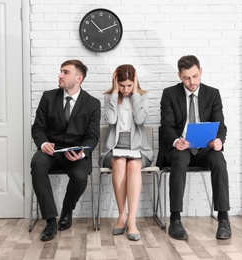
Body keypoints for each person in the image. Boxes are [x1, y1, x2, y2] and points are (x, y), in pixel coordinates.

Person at [156, 55, 231, 240]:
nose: (192, 82)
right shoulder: (169, 94)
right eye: (187, 78)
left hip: (205, 148)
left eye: (195, 76)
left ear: (201, 72)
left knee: (218, 159)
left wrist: (219, 140)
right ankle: (175, 219)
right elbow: (166, 126)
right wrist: (176, 141)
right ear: (180, 76)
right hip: (180, 148)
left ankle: (223, 219)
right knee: (179, 159)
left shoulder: (213, 94)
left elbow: (220, 124)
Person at [31, 59, 101, 241]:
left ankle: (67, 211)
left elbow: (92, 136)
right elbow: (38, 127)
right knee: (37, 163)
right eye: (60, 71)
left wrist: (83, 152)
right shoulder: (48, 97)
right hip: (51, 151)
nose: (60, 75)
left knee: (80, 176)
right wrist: (43, 144)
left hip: (76, 152)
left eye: (65, 72)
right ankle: (50, 220)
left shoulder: (92, 103)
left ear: (79, 78)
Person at [99, 64, 153, 241]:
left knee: (134, 166)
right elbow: (111, 119)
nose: (125, 89)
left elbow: (140, 120)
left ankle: (131, 220)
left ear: (135, 82)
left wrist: (136, 93)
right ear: (116, 83)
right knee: (120, 162)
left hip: (138, 149)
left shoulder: (142, 97)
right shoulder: (110, 97)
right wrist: (115, 94)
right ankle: (122, 215)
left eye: (129, 85)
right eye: (122, 85)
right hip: (114, 148)